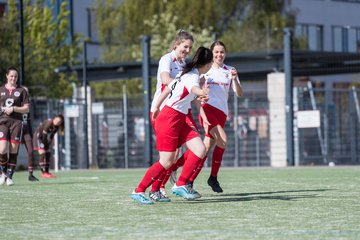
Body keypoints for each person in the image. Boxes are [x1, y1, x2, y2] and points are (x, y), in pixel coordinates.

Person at [130, 46, 213, 205]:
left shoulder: (186, 72)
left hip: (178, 118)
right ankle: (139, 190)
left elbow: (168, 88)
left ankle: (180, 184)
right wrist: (201, 92)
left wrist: (156, 106)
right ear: (207, 64)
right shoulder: (193, 76)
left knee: (200, 149)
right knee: (166, 161)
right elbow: (193, 88)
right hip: (169, 119)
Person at [166, 41, 244, 193]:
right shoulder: (204, 71)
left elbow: (239, 93)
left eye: (222, 52)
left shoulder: (230, 70)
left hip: (222, 114)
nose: (219, 55)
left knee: (205, 147)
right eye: (216, 52)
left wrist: (235, 79)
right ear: (212, 54)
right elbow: (194, 90)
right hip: (207, 111)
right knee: (223, 140)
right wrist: (201, 93)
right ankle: (213, 178)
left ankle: (185, 177)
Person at [147, 30, 194, 202]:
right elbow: (166, 79)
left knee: (174, 155)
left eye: (190, 47)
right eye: (185, 46)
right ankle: (154, 188)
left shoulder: (184, 64)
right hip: (161, 111)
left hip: (176, 112)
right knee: (167, 157)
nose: (187, 50)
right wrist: (181, 83)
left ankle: (161, 186)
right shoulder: (166, 59)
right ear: (176, 44)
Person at [0, 66, 30, 186]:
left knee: (13, 150)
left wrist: (13, 108)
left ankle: (9, 177)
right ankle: (2, 173)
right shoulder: (1, 90)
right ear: (7, 76)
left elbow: (26, 109)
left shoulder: (22, 91)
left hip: (16, 123)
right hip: (2, 122)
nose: (13, 78)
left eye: (16, 76)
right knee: (2, 149)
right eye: (11, 76)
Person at [33, 114, 64, 178]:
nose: (57, 122)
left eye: (59, 122)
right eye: (56, 120)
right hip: (38, 137)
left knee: (48, 153)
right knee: (42, 153)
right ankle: (43, 173)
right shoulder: (49, 122)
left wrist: (48, 143)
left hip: (43, 139)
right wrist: (44, 144)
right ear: (54, 118)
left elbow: (51, 136)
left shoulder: (56, 127)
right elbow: (44, 135)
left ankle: (47, 172)